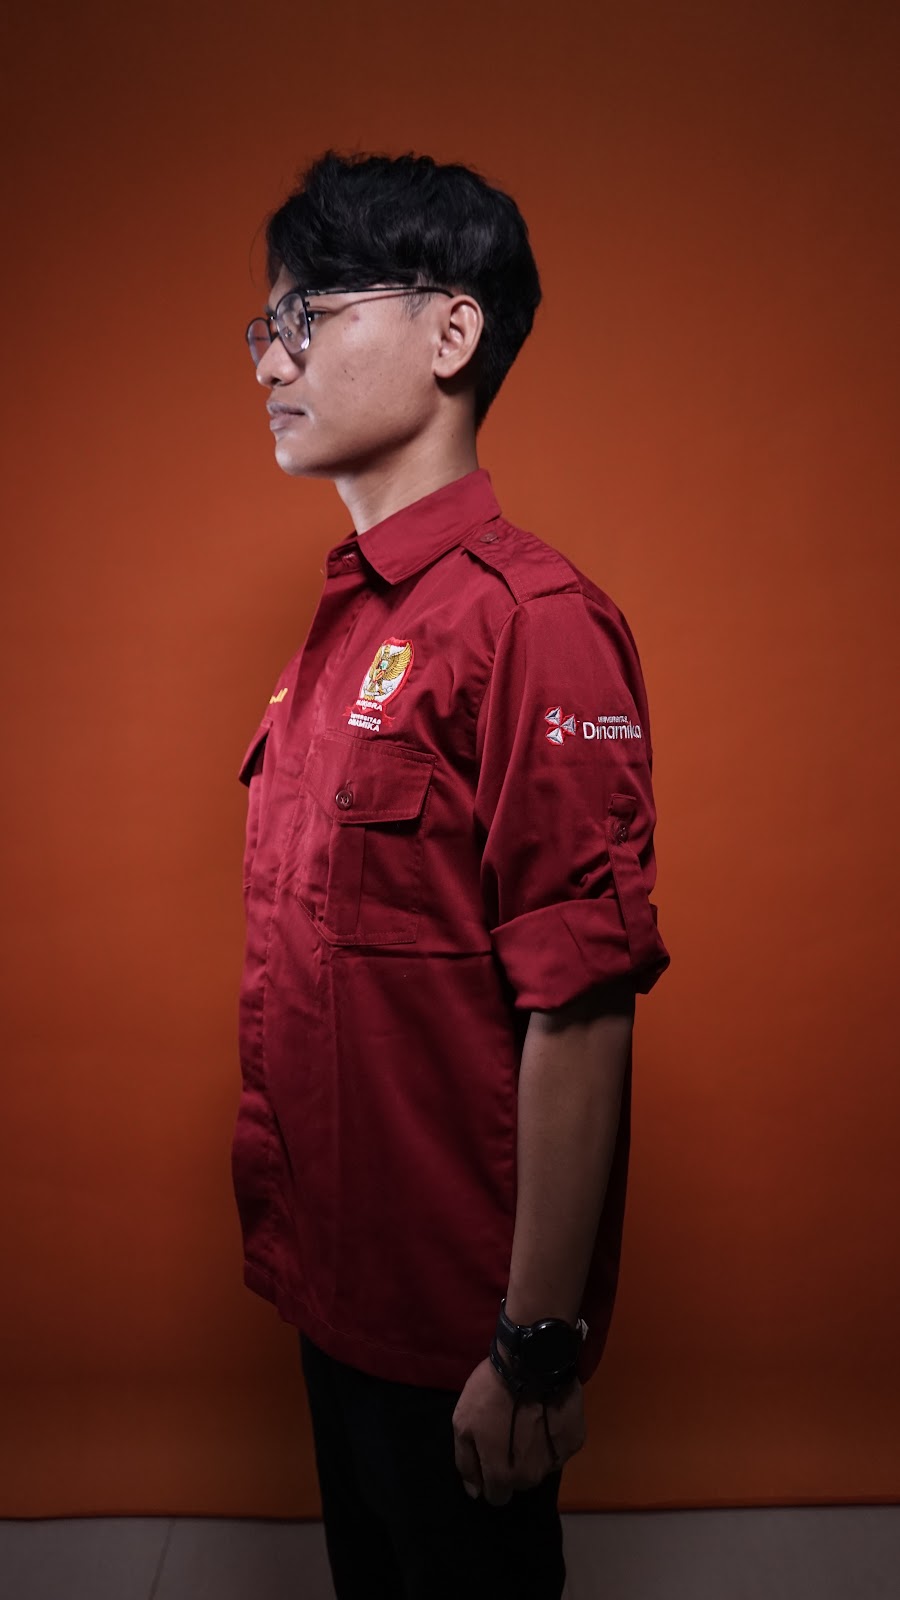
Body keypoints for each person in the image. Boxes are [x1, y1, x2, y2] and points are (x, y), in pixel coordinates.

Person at [232, 149, 671, 1600]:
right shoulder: (343, 632)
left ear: (452, 332)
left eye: (309, 316)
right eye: (265, 328)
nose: (272, 362)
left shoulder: (534, 626)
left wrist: (534, 1347)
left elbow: (581, 1007)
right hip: (334, 1293)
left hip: (460, 1337)